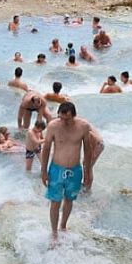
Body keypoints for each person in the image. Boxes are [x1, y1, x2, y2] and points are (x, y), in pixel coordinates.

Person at [40, 102, 94, 242]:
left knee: (69, 199)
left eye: (67, 119)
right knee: (55, 201)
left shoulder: (83, 126)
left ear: (74, 115)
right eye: (61, 118)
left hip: (75, 170)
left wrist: (88, 172)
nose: (63, 121)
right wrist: (43, 171)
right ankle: (54, 233)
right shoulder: (53, 126)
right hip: (57, 169)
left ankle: (63, 226)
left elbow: (88, 150)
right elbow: (46, 149)